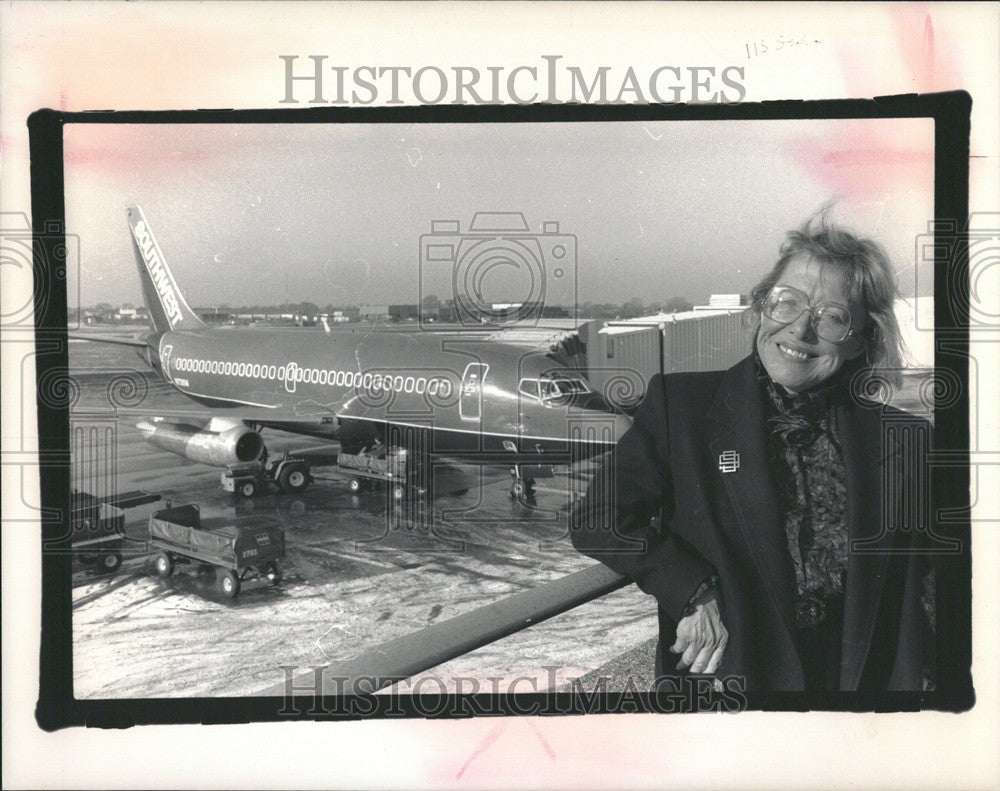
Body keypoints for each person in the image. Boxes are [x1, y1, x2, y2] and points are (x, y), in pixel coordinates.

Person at [570, 208, 933, 692]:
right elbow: (599, 518)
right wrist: (691, 589)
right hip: (734, 689)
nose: (800, 331)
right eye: (787, 303)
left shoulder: (905, 440)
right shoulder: (683, 408)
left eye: (832, 317)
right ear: (762, 306)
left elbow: (932, 584)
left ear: (862, 337)